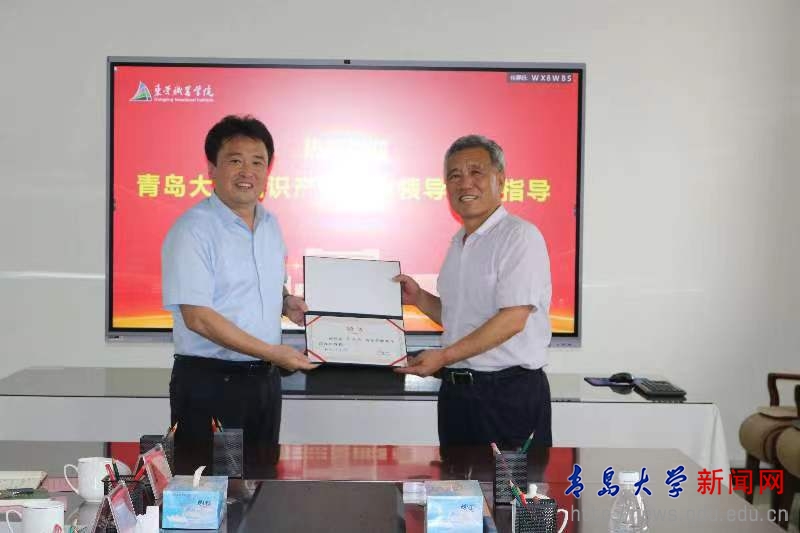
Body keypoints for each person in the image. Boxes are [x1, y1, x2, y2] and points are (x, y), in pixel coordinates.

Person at [161, 114, 316, 475]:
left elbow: (255, 283)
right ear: (212, 170)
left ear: (268, 171)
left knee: (261, 481)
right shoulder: (193, 230)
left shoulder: (270, 225)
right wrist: (272, 352)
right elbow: (198, 317)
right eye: (235, 160)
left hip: (262, 384)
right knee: (213, 488)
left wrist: (284, 302)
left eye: (258, 162)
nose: (247, 171)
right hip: (212, 385)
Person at [395, 134, 553, 449]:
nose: (465, 183)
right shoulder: (458, 244)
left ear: (500, 179)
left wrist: (443, 356)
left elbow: (513, 319)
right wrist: (419, 299)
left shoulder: (519, 237)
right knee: (455, 480)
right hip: (457, 396)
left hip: (507, 396)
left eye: (475, 172)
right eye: (454, 176)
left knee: (512, 483)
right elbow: (460, 318)